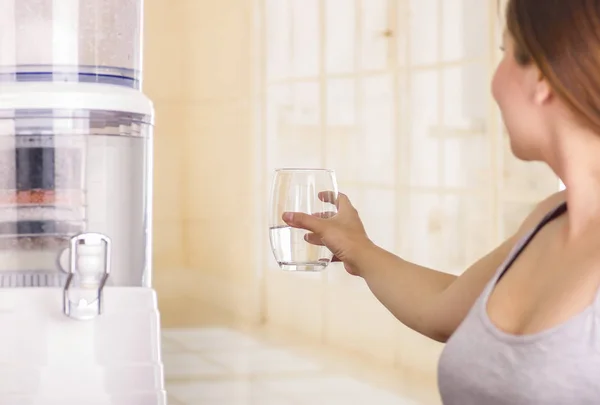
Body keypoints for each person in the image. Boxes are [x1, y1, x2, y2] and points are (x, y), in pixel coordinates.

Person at [282, 1, 600, 404]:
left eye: (504, 54)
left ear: (540, 75)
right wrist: (357, 248)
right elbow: (443, 308)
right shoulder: (551, 218)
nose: (494, 83)